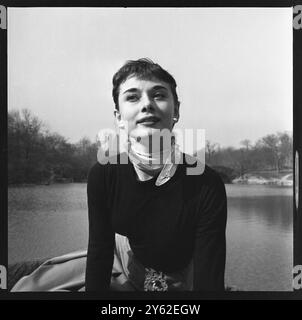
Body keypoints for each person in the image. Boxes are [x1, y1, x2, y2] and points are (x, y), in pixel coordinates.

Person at [85, 58, 227, 292]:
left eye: (158, 95)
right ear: (119, 117)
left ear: (176, 110)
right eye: (132, 97)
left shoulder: (207, 184)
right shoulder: (102, 175)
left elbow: (209, 278)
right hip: (130, 265)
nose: (147, 104)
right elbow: (100, 252)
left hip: (185, 276)